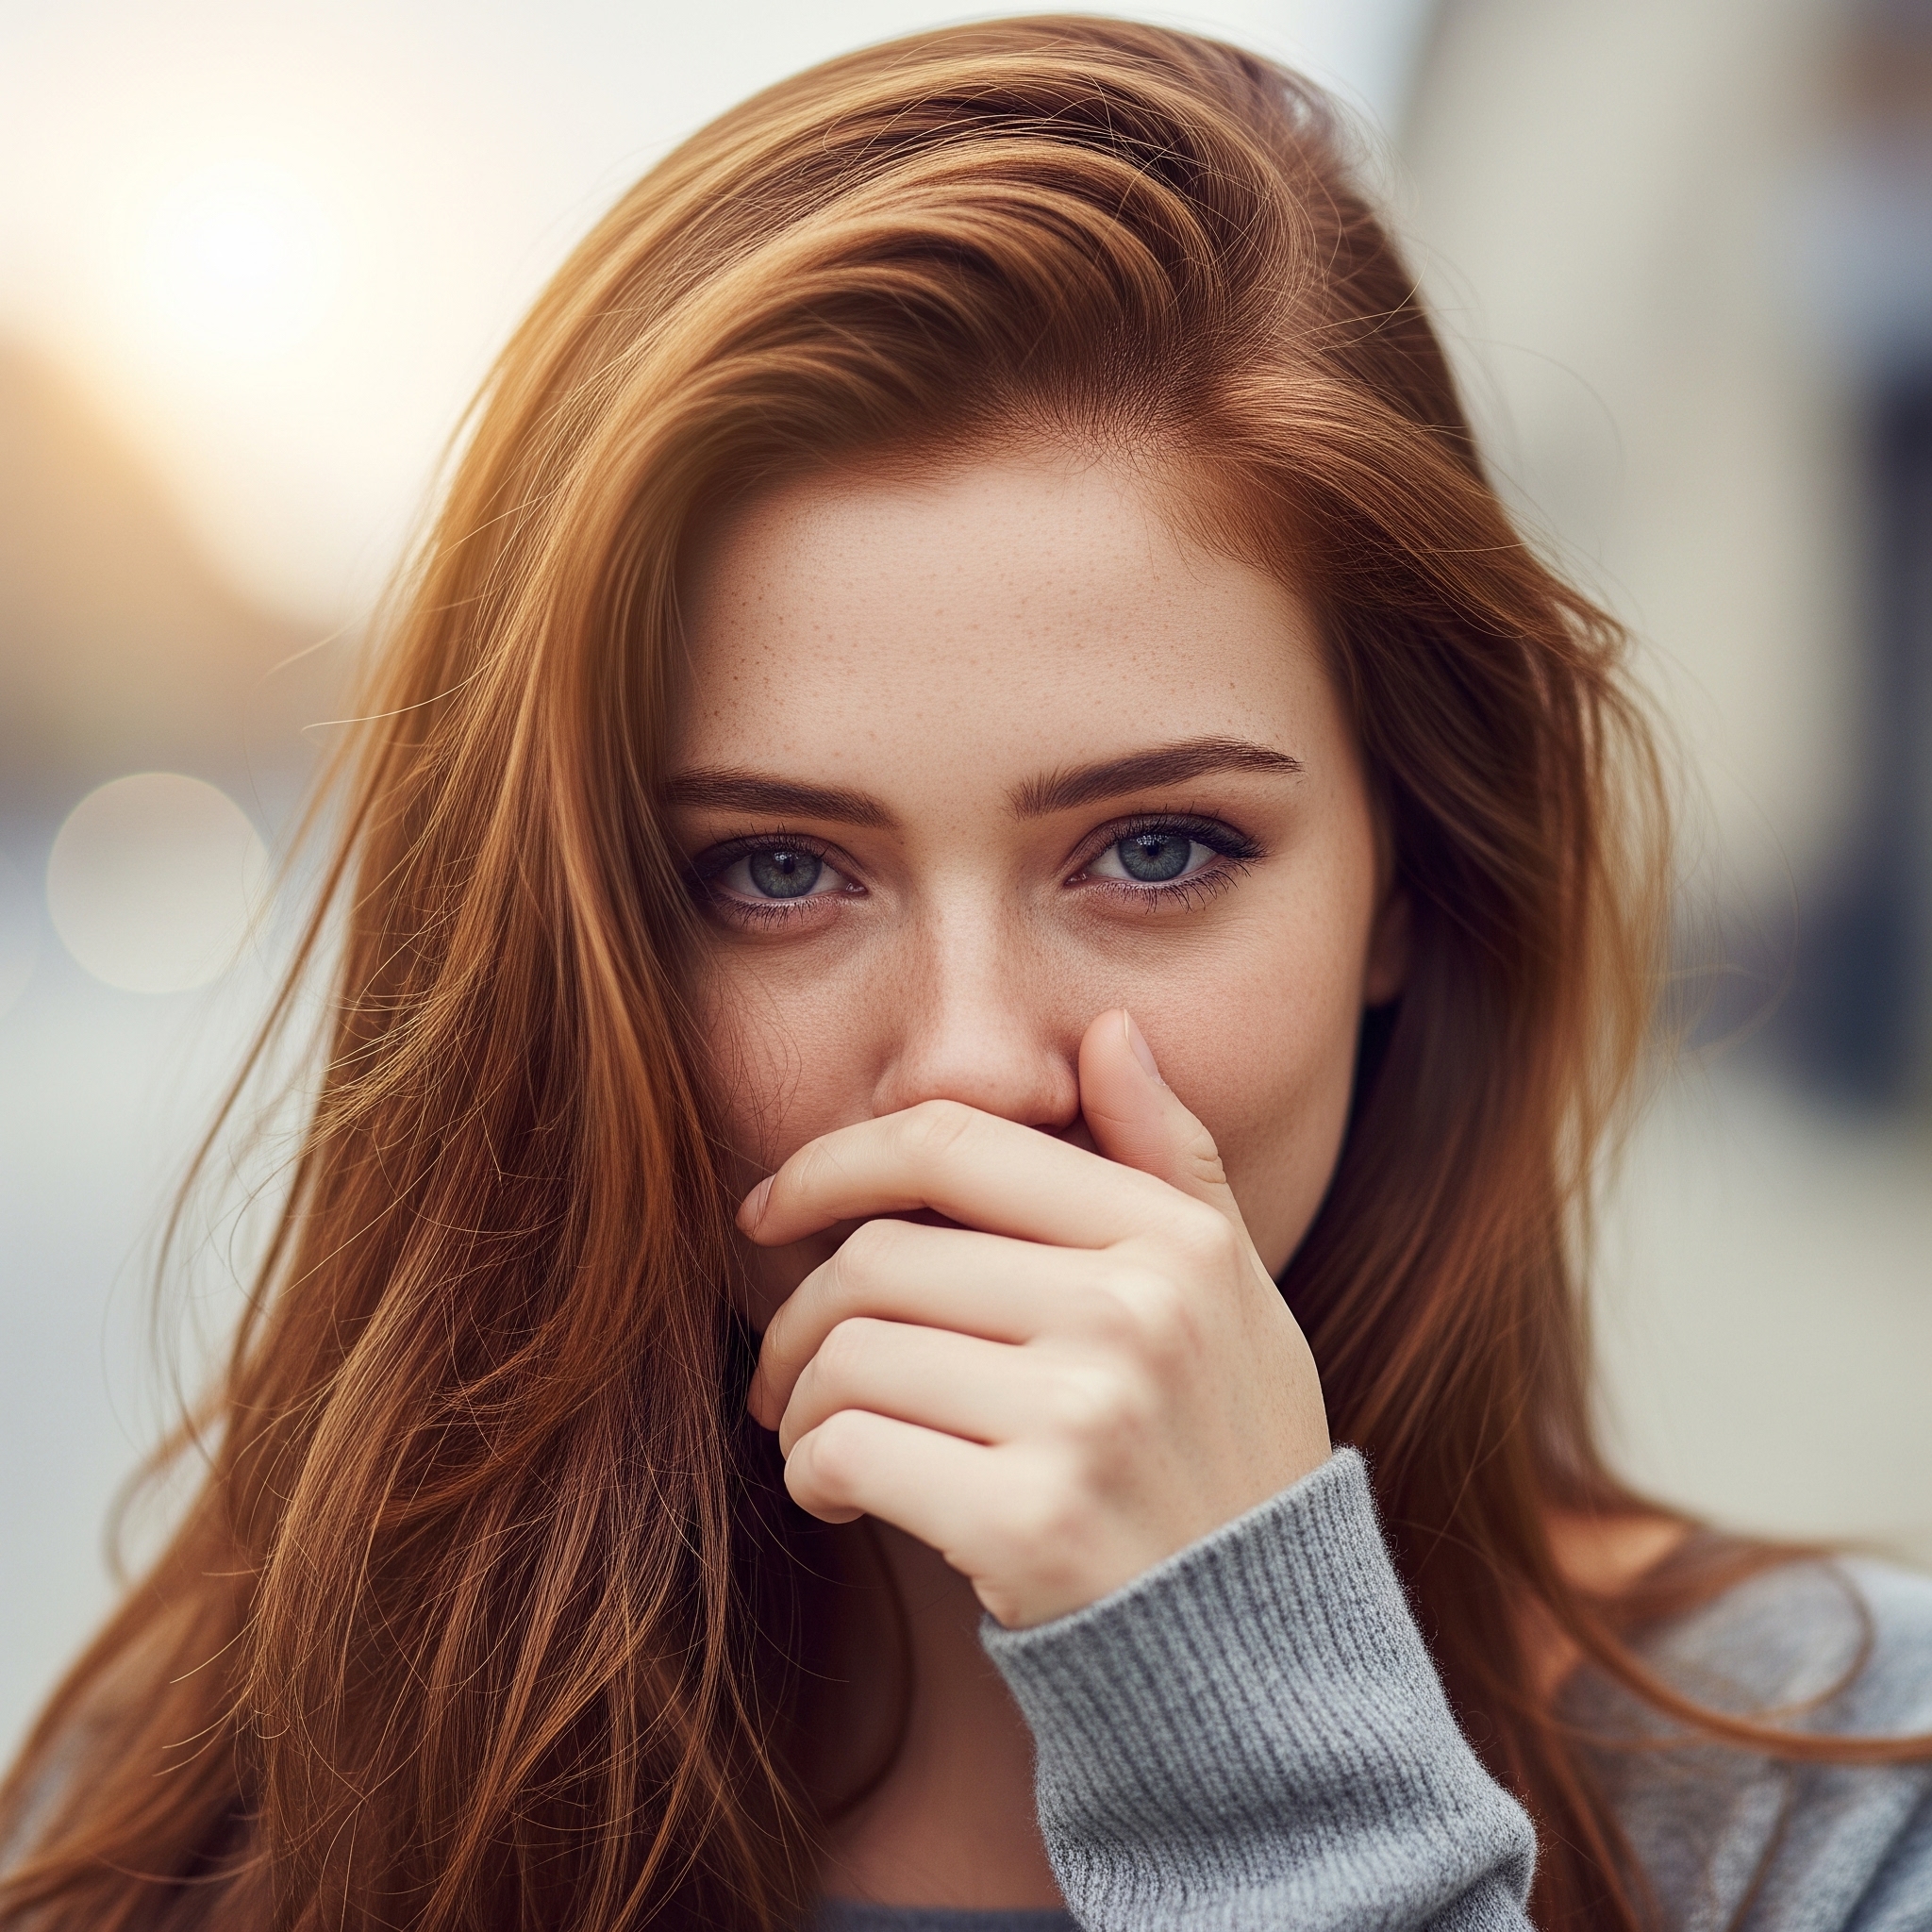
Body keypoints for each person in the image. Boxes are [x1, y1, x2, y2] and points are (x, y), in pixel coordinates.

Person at [3, 17, 1928, 1932]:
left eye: (1156, 851)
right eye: (774, 871)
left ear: (1406, 883)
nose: (970, 1069)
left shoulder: (1838, 1805)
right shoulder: (235, 1823)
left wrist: (1274, 1772)